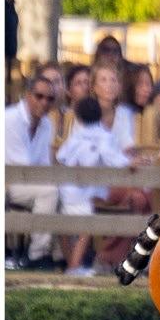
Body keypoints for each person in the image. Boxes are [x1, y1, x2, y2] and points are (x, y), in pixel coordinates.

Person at [55, 93, 133, 274]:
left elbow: (60, 157)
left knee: (62, 226)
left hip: (67, 191)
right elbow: (114, 159)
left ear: (78, 116)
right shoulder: (105, 137)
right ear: (100, 114)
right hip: (90, 194)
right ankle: (74, 266)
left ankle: (72, 264)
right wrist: (130, 162)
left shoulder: (75, 137)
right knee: (87, 227)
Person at [5, 68, 59, 268]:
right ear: (28, 95)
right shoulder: (10, 119)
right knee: (49, 192)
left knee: (61, 191)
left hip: (26, 180)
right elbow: (22, 165)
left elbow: (43, 164)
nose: (44, 102)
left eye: (50, 98)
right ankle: (37, 255)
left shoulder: (47, 124)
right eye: (39, 96)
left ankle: (61, 257)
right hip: (7, 181)